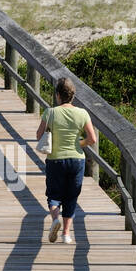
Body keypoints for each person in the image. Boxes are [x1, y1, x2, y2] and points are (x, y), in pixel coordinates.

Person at [35, 76, 97, 246]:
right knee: (71, 196)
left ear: (58, 95)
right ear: (73, 95)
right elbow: (92, 139)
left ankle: (55, 219)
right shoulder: (82, 113)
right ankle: (66, 234)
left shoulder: (50, 112)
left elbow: (39, 135)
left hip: (55, 160)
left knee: (54, 195)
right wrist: (79, 143)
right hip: (76, 160)